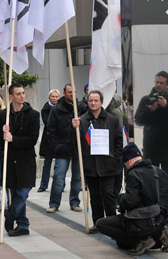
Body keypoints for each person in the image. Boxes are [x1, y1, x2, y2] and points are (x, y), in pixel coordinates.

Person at [96, 143, 168, 255]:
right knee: (121, 243)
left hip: (141, 221)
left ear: (128, 161)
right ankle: (161, 234)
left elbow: (130, 201)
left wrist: (120, 198)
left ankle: (141, 241)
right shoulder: (159, 172)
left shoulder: (133, 174)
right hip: (159, 220)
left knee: (101, 224)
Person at [134, 70, 168, 229]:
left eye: (161, 83)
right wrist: (151, 109)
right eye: (157, 82)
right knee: (151, 184)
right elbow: (138, 120)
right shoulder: (146, 100)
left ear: (167, 84)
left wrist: (166, 107)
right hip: (151, 149)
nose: (158, 85)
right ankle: (153, 215)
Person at [72, 90, 123, 234]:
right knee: (95, 196)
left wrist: (116, 158)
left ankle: (112, 222)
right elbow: (75, 143)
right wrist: (73, 129)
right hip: (90, 166)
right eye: (90, 100)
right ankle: (98, 223)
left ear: (101, 102)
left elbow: (119, 140)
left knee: (108, 194)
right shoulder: (82, 120)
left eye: (96, 100)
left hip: (108, 165)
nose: (93, 103)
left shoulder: (112, 119)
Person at [0, 83, 40, 236]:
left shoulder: (33, 115)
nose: (22, 96)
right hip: (10, 161)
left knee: (23, 193)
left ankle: (9, 216)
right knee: (15, 194)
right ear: (11, 96)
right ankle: (23, 225)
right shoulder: (4, 115)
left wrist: (13, 139)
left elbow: (33, 139)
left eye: (23, 93)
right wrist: (2, 132)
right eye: (18, 94)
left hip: (26, 161)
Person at [46, 84, 82, 214]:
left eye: (74, 92)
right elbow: (51, 130)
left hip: (78, 149)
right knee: (58, 177)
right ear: (64, 93)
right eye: (70, 92)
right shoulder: (57, 110)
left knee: (77, 178)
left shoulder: (81, 108)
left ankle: (75, 202)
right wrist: (55, 146)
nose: (72, 94)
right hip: (62, 148)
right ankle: (54, 203)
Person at [38, 88, 59, 193]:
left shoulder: (62, 108)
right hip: (48, 140)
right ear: (49, 97)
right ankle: (43, 185)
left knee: (59, 165)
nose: (54, 98)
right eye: (53, 96)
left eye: (56, 96)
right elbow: (48, 122)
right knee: (47, 164)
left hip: (60, 140)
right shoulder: (45, 109)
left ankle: (59, 185)